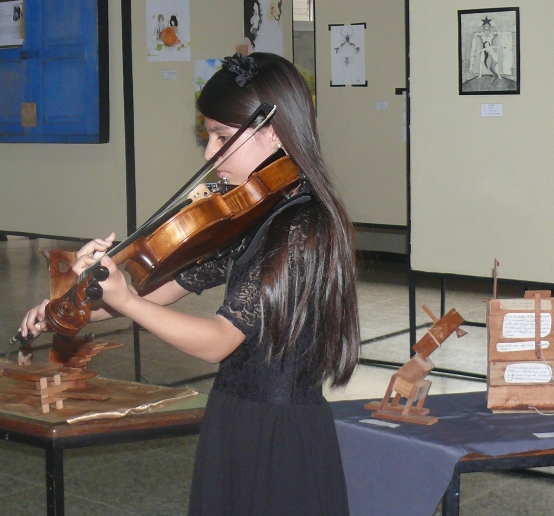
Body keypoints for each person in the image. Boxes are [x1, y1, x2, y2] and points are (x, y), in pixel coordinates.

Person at [21, 53, 359, 515]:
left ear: (273, 132)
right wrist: (70, 305)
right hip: (234, 418)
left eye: (222, 136)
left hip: (280, 434)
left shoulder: (302, 225)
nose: (208, 153)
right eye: (208, 136)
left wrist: (127, 300)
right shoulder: (251, 213)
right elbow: (151, 291)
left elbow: (219, 341)